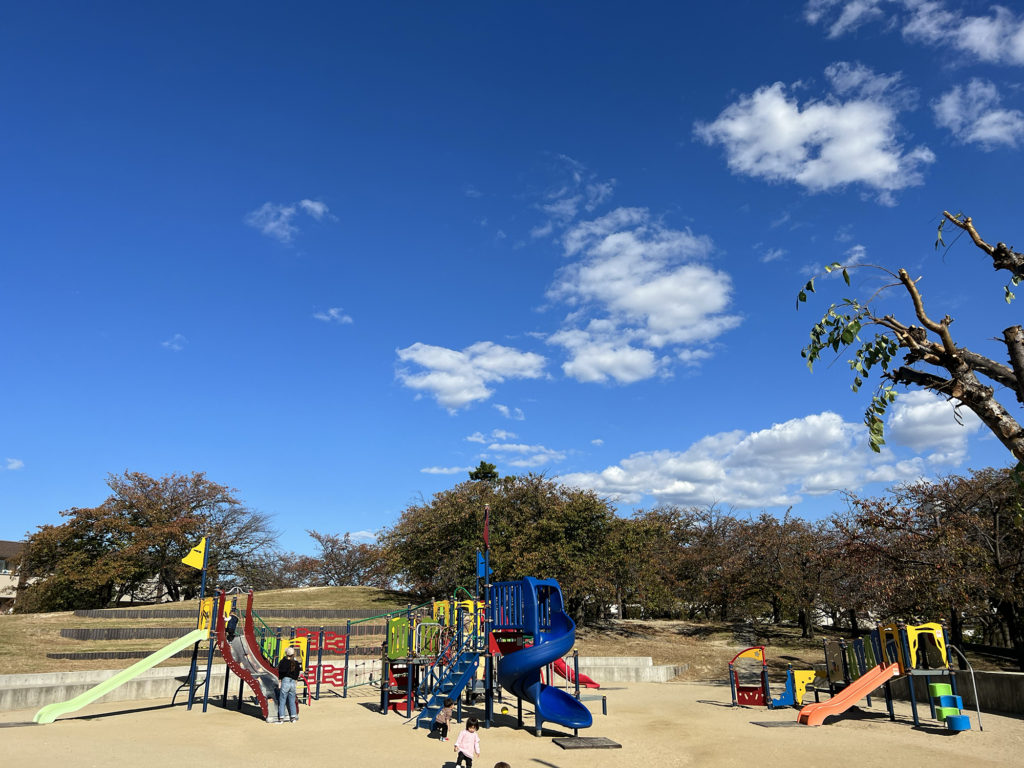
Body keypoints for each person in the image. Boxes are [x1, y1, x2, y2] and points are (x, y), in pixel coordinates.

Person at [277, 646, 302, 723]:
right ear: (293, 654)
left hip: (285, 681)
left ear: (286, 653)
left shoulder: (283, 662)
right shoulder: (296, 663)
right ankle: (293, 718)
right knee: (292, 701)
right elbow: (298, 673)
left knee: (282, 700)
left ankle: (281, 718)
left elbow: (280, 671)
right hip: (293, 682)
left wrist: (280, 680)